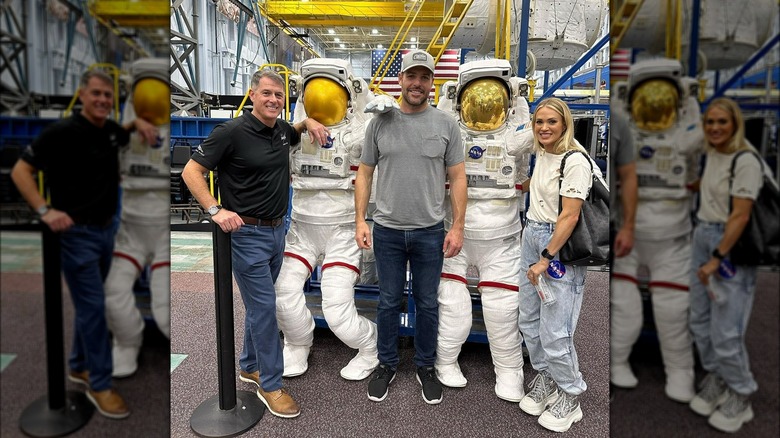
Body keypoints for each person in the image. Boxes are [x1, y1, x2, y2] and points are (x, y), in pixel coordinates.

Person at [10, 68, 157, 419]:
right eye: (96, 94)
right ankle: (100, 385)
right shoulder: (61, 133)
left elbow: (119, 137)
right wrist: (44, 210)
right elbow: (20, 172)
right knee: (95, 308)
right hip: (76, 235)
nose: (103, 101)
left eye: (108, 96)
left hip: (107, 231)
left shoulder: (108, 131)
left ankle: (79, 365)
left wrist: (136, 125)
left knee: (90, 305)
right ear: (82, 94)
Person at [181, 68, 327, 419]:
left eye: (278, 95)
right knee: (264, 308)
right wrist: (215, 209)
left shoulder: (280, 131)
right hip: (246, 235)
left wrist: (307, 123)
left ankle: (249, 364)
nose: (273, 100)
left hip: (278, 231)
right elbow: (191, 172)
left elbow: (293, 133)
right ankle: (271, 385)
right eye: (266, 94)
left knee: (258, 306)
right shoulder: (230, 132)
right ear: (252, 94)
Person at [354, 49, 467, 405]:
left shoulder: (446, 125)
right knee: (388, 301)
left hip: (429, 231)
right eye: (411, 76)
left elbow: (458, 177)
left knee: (428, 303)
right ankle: (386, 364)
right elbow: (365, 173)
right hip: (386, 230)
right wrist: (360, 219)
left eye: (424, 77)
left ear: (432, 83)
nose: (417, 83)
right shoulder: (379, 122)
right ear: (400, 80)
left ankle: (426, 366)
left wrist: (458, 226)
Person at [432, 59, 531, 403]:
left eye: (496, 100)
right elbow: (435, 129)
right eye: (475, 99)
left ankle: (509, 370)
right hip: (454, 236)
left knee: (502, 310)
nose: (486, 106)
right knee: (455, 310)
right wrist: (446, 97)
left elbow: (533, 134)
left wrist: (520, 100)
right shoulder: (451, 134)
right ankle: (444, 362)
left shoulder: (514, 137)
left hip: (500, 238)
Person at [274, 58, 379, 381]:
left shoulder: (356, 135)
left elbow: (379, 149)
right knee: (282, 291)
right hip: (303, 229)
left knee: (335, 307)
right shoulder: (291, 135)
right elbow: (266, 149)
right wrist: (302, 126)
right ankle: (297, 341)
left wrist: (382, 113)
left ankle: (369, 345)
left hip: (342, 231)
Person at [610, 59, 703, 402]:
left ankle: (681, 373)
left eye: (665, 98)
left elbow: (704, 133)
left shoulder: (684, 137)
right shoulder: (625, 133)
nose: (655, 105)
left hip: (672, 236)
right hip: (627, 236)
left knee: (673, 308)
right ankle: (616, 362)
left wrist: (690, 99)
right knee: (625, 308)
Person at [515, 97, 597, 433]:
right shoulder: (543, 153)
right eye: (539, 122)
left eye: (552, 121)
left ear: (565, 123)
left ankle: (571, 394)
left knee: (555, 331)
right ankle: (547, 378)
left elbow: (570, 214)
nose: (544, 128)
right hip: (532, 232)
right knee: (529, 319)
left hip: (557, 245)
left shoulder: (575, 159)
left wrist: (545, 258)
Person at [688, 97, 769, 433]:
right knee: (700, 319)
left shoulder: (746, 160)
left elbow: (741, 214)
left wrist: (717, 258)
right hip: (703, 232)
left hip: (728, 245)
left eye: (722, 122)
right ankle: (718, 378)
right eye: (711, 122)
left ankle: (741, 392)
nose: (715, 128)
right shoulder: (713, 156)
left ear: (735, 123)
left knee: (726, 328)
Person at [104, 58, 171, 378]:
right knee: (114, 292)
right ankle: (127, 344)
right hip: (131, 230)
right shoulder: (121, 131)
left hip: (161, 235)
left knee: (164, 308)